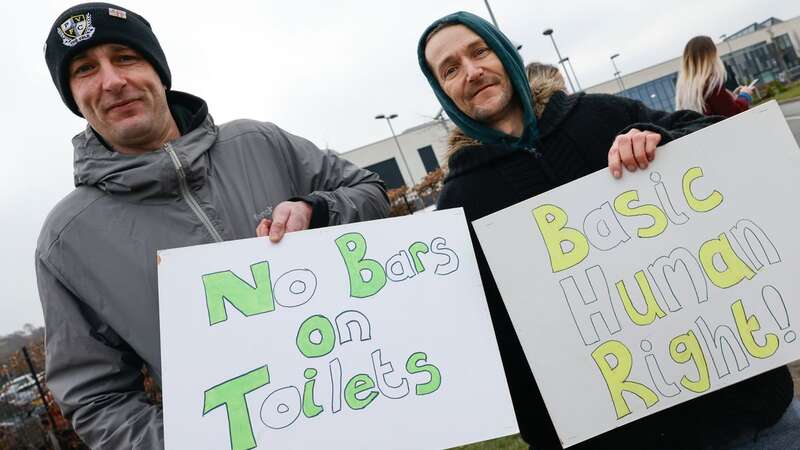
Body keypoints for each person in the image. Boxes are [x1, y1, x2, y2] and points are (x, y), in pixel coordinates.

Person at [418, 11, 797, 450]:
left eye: (479, 51)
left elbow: (725, 139)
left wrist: (662, 140)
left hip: (754, 417)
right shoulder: (460, 202)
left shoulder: (601, 115)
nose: (471, 71)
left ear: (503, 54)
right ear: (443, 93)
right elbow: (496, 344)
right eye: (450, 69)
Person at [36, 3, 388, 448]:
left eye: (125, 57)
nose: (112, 80)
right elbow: (97, 400)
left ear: (158, 71)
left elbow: (372, 193)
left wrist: (316, 209)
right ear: (74, 97)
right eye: (85, 69)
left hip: (364, 411)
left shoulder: (260, 142)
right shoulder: (66, 240)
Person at [675, 35, 755, 117]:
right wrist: (745, 95)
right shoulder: (710, 85)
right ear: (711, 56)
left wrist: (730, 97)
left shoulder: (685, 89)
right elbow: (734, 113)